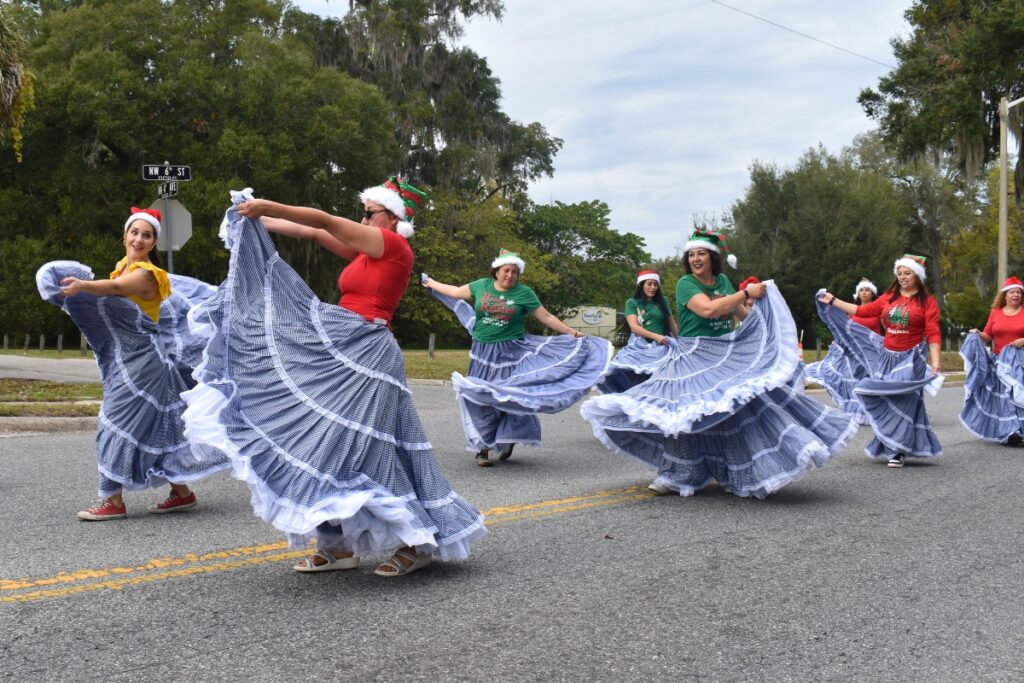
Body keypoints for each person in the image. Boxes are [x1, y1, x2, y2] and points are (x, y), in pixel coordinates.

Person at [184, 179, 485, 577]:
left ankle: (418, 541)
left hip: (370, 352)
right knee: (322, 445)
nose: (363, 217)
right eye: (364, 213)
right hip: (344, 345)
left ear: (394, 219)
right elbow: (314, 230)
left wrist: (270, 204)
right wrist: (257, 220)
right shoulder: (366, 252)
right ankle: (338, 547)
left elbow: (325, 218)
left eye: (369, 212)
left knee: (370, 451)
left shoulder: (393, 246)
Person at [581, 228, 855, 498]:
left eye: (701, 254)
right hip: (692, 355)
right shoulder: (686, 284)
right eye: (691, 255)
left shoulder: (723, 281)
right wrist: (746, 293)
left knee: (734, 412)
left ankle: (733, 473)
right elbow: (708, 309)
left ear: (713, 257)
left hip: (724, 352)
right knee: (683, 412)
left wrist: (767, 317)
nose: (695, 259)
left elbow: (742, 314)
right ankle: (679, 474)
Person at [36, 207, 228, 520]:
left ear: (154, 243)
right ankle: (182, 492)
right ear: (125, 235)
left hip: (142, 365)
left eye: (147, 235)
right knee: (157, 429)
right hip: (131, 360)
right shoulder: (123, 267)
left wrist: (83, 287)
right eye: (135, 232)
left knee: (113, 424)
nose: (139, 239)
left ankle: (112, 501)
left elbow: (114, 290)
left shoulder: (147, 275)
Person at [423, 251, 613, 466]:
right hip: (482, 354)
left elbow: (547, 317)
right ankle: (483, 447)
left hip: (512, 354)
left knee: (509, 397)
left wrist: (572, 332)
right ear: (497, 271)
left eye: (514, 272)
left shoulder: (524, 293)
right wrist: (431, 282)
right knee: (479, 397)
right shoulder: (481, 285)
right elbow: (456, 292)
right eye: (506, 271)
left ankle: (508, 437)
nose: (510, 275)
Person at [816, 253, 943, 468]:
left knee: (902, 400)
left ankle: (896, 451)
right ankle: (893, 442)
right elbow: (862, 311)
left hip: (912, 358)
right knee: (875, 393)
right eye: (900, 273)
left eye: (907, 273)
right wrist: (834, 301)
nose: (903, 277)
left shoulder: (927, 302)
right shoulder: (889, 297)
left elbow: (933, 331)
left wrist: (937, 361)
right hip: (887, 356)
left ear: (917, 276)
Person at [804, 277, 883, 425]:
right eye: (861, 290)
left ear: (873, 293)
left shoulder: (878, 310)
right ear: (858, 294)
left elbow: (887, 329)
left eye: (867, 290)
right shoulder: (852, 311)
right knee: (856, 381)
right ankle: (861, 411)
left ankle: (879, 411)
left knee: (875, 381)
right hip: (856, 353)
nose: (864, 293)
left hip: (872, 352)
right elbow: (845, 330)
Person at [959, 276, 1024, 445]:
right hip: (999, 363)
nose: (1016, 295)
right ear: (1005, 295)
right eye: (1012, 292)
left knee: (1016, 395)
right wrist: (977, 334)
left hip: (1020, 362)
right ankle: (1011, 431)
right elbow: (988, 336)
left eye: (1018, 292)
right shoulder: (996, 312)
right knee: (1003, 398)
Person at [598, 269, 679, 393]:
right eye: (649, 284)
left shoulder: (663, 301)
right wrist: (656, 336)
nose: (653, 287)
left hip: (662, 347)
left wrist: (680, 341)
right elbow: (634, 328)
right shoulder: (632, 303)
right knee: (630, 375)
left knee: (660, 381)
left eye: (655, 284)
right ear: (641, 285)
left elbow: (672, 324)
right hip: (639, 346)